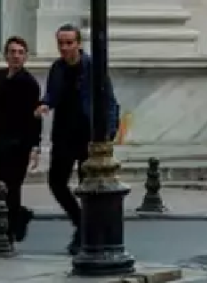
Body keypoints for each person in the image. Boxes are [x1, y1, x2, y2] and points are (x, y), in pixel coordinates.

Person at [36, 24, 120, 256]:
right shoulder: (58, 67)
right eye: (61, 43)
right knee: (56, 181)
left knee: (87, 186)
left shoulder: (92, 67)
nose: (64, 48)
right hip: (63, 134)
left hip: (88, 136)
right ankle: (81, 222)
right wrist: (45, 104)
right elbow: (52, 92)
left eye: (69, 43)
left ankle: (87, 234)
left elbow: (109, 100)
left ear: (79, 43)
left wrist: (109, 133)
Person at [0, 36, 42, 244]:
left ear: (25, 56)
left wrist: (35, 146)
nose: (15, 56)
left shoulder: (29, 84)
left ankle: (11, 229)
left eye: (20, 52)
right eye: (12, 52)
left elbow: (35, 118)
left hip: (19, 143)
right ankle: (18, 217)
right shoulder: (1, 77)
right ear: (6, 55)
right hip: (2, 140)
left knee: (12, 186)